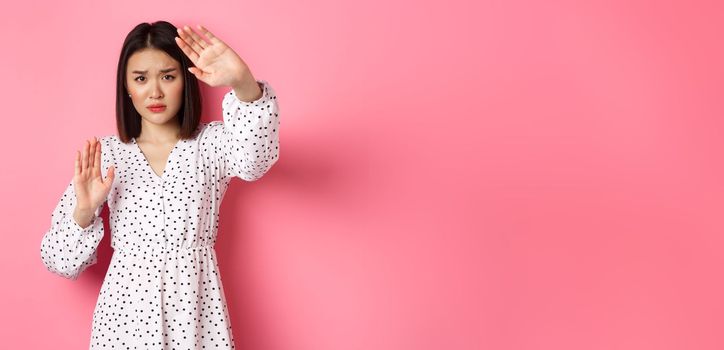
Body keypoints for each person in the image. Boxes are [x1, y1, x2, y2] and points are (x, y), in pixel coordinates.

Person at [39, 20, 280, 349]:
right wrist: (84, 211)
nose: (155, 92)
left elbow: (256, 161)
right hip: (123, 320)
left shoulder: (210, 144)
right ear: (126, 86)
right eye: (140, 78)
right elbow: (60, 262)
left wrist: (243, 82)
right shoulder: (107, 155)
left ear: (187, 79)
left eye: (168, 76)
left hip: (196, 313)